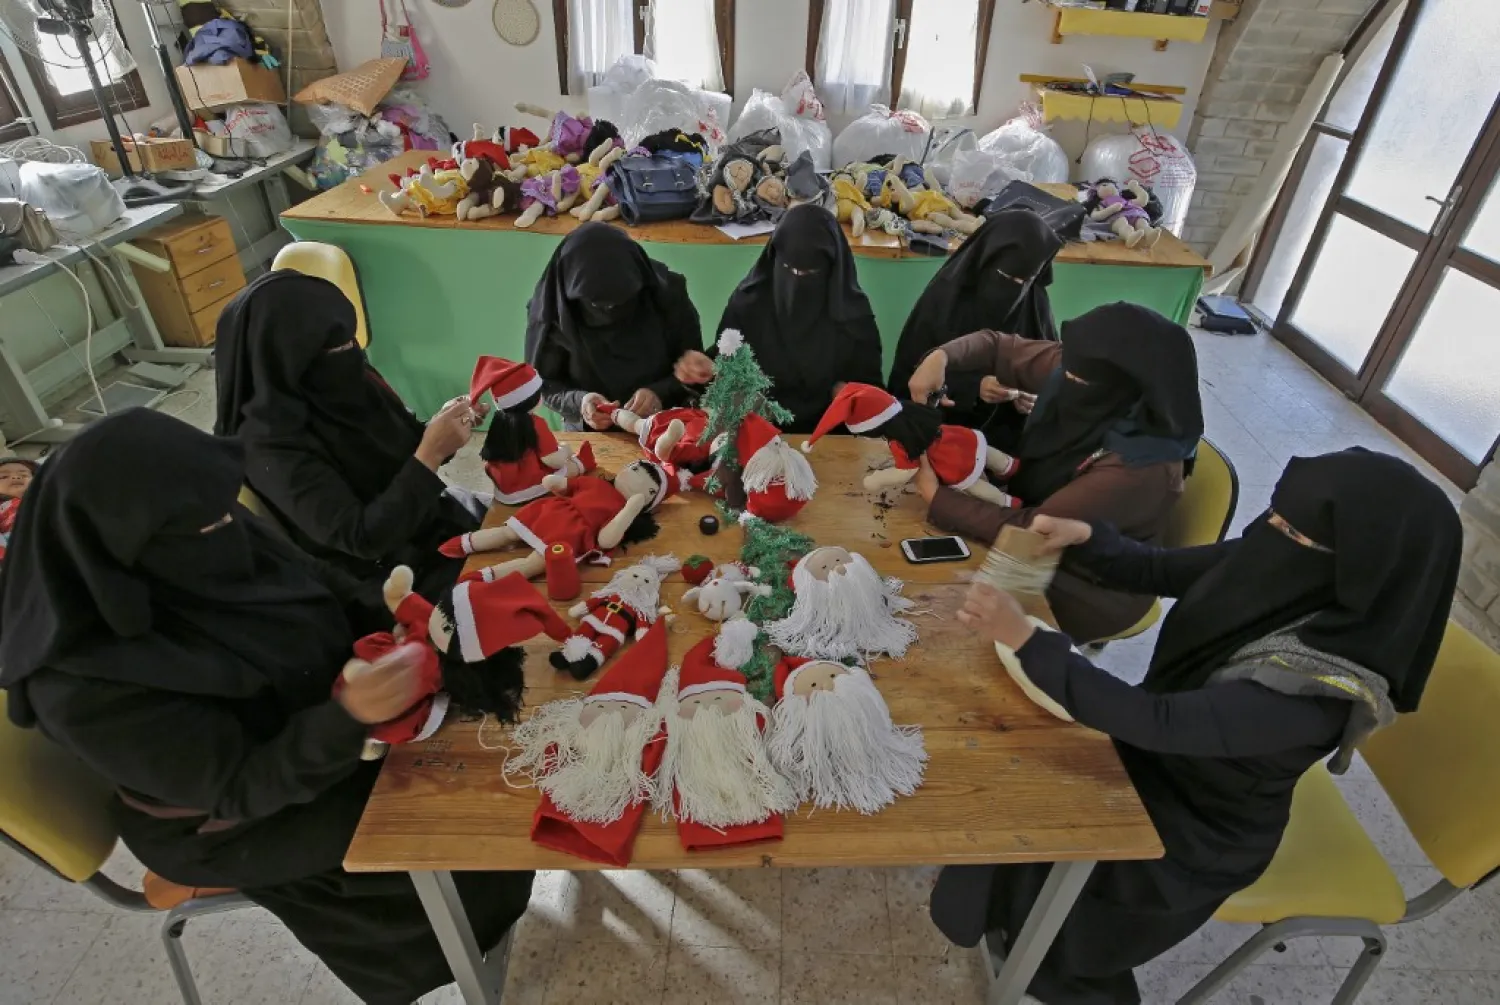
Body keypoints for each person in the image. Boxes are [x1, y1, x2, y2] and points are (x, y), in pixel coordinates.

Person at [0, 410, 534, 1005]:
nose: (231, 524)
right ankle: (456, 949)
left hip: (304, 719)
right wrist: (347, 717)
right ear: (129, 549)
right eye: (209, 525)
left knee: (471, 741)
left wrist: (403, 616)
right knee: (439, 813)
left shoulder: (205, 520)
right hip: (223, 816)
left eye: (229, 508)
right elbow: (241, 786)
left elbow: (313, 576)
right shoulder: (82, 684)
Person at [932, 448, 1462, 1005]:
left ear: (1356, 570)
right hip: (1164, 754)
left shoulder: (1314, 694)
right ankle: (1015, 929)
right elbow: (1161, 569)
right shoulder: (1282, 563)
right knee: (1022, 775)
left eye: (1293, 532)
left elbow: (1154, 722)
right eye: (1275, 517)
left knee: (1059, 911)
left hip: (1194, 833)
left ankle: (1045, 957)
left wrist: (1029, 640)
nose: (1270, 533)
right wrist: (1085, 536)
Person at [907, 302, 1202, 642]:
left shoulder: (1141, 468)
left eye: (1077, 379)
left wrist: (937, 497)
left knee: (939, 616)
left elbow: (1036, 530)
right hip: (1029, 514)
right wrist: (939, 358)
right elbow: (997, 345)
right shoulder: (1084, 371)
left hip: (1085, 584)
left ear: (1127, 388)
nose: (1065, 378)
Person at [215, 272, 484, 599]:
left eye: (348, 340)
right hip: (386, 579)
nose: (348, 352)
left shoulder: (349, 375)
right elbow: (363, 539)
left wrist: (444, 432)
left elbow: (402, 451)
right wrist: (430, 452)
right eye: (331, 347)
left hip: (428, 523)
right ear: (282, 356)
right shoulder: (269, 446)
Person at [888, 209, 1063, 450]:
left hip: (1006, 446)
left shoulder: (1035, 303)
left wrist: (1032, 395)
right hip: (941, 436)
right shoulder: (945, 299)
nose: (1014, 289)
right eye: (1005, 276)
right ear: (986, 260)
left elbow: (1051, 368)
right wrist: (973, 387)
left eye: (1025, 282)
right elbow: (909, 378)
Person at [711, 204, 884, 433]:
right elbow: (726, 367)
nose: (797, 283)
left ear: (833, 269)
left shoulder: (852, 314)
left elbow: (872, 394)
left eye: (810, 273)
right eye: (787, 269)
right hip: (759, 429)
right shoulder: (748, 304)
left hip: (831, 433)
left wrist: (848, 392)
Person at [524, 223, 710, 431]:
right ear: (570, 292)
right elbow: (544, 384)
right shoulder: (552, 313)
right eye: (596, 304)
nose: (610, 311)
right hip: (593, 430)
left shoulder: (666, 294)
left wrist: (660, 392)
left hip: (667, 423)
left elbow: (693, 367)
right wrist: (581, 402)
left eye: (623, 300)